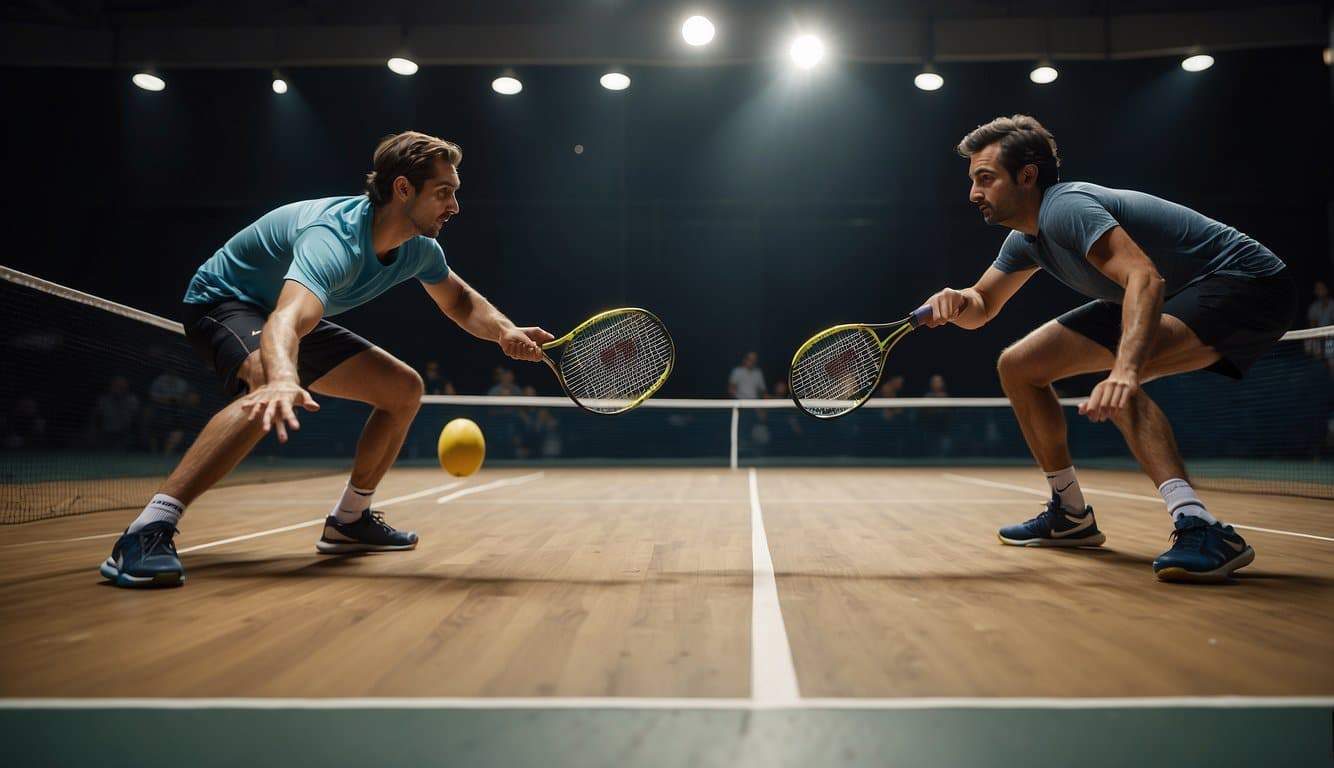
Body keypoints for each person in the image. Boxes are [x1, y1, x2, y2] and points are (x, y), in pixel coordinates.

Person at [99, 131, 552, 588]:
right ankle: (147, 530)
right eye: (443, 193)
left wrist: (505, 331)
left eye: (453, 192)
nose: (454, 205)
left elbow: (460, 301)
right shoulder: (333, 240)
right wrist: (279, 377)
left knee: (403, 389)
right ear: (402, 189)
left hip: (282, 312)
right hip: (224, 302)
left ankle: (349, 520)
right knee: (267, 390)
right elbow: (287, 319)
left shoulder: (417, 249)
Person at [922, 114, 1295, 582]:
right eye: (974, 180)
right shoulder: (1027, 240)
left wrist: (1126, 369)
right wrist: (959, 300)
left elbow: (1143, 276)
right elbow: (983, 305)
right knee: (1019, 366)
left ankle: (1201, 525)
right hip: (1162, 295)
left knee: (1123, 382)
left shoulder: (1065, 207)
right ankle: (1070, 513)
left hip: (1246, 283)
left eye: (986, 179)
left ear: (1028, 176)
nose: (974, 193)